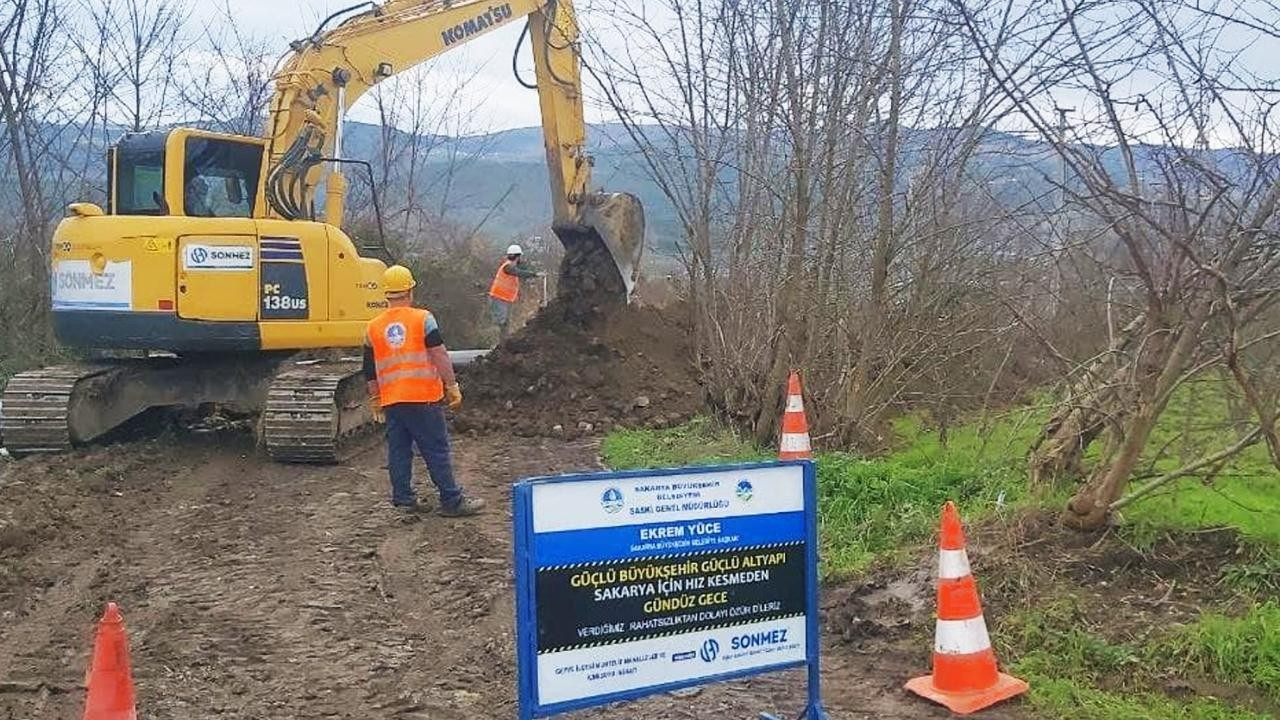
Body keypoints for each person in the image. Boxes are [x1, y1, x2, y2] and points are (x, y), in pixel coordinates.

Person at [364, 265, 486, 518]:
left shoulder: (373, 327)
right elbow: (438, 353)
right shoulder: (422, 319)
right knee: (435, 448)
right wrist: (451, 385)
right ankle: (452, 500)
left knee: (399, 450)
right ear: (410, 290)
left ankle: (404, 499)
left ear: (386, 294)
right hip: (423, 397)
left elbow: (369, 368)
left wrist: (376, 397)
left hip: (393, 400)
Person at [488, 243, 542, 341]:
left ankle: (503, 343)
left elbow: (519, 271)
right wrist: (534, 274)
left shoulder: (510, 266)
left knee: (506, 322)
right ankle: (501, 344)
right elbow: (518, 272)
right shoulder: (508, 267)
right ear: (518, 256)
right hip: (499, 297)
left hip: (504, 298)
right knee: (502, 322)